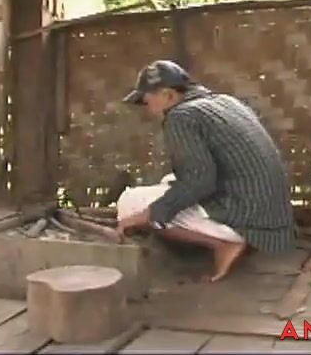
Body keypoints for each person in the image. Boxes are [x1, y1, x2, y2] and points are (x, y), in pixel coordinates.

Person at [116, 60, 296, 282]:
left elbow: (199, 182)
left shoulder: (181, 117)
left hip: (246, 217)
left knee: (129, 203)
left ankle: (224, 244)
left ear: (168, 95)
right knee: (169, 181)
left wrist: (147, 215)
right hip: (273, 218)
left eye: (147, 99)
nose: (147, 106)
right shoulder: (225, 102)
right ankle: (236, 238)